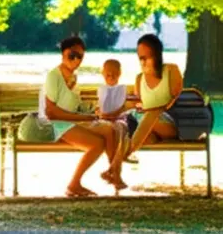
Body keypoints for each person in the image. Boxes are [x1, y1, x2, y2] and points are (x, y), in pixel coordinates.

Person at [17, 36, 124, 196]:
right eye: (71, 55)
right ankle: (74, 184)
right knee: (97, 144)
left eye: (79, 56)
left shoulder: (73, 77)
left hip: (66, 122)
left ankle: (113, 174)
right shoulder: (54, 76)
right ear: (63, 54)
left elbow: (73, 106)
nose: (76, 59)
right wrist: (85, 119)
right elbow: (51, 113)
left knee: (109, 130)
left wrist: (91, 112)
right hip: (50, 124)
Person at [104, 33, 182, 177]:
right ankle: (114, 171)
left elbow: (175, 100)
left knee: (152, 113)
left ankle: (115, 165)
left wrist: (153, 110)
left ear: (157, 54)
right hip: (147, 128)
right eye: (141, 57)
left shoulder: (171, 70)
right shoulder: (139, 79)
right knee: (145, 135)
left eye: (147, 57)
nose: (143, 61)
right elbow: (136, 104)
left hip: (171, 124)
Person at [94, 58, 130, 188]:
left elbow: (122, 108)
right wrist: (101, 114)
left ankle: (112, 172)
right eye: (108, 74)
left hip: (117, 120)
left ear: (120, 74)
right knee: (111, 132)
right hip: (105, 121)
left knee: (119, 132)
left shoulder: (122, 89)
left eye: (114, 73)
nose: (111, 76)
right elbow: (99, 108)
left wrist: (112, 115)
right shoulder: (101, 89)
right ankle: (115, 174)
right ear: (103, 73)